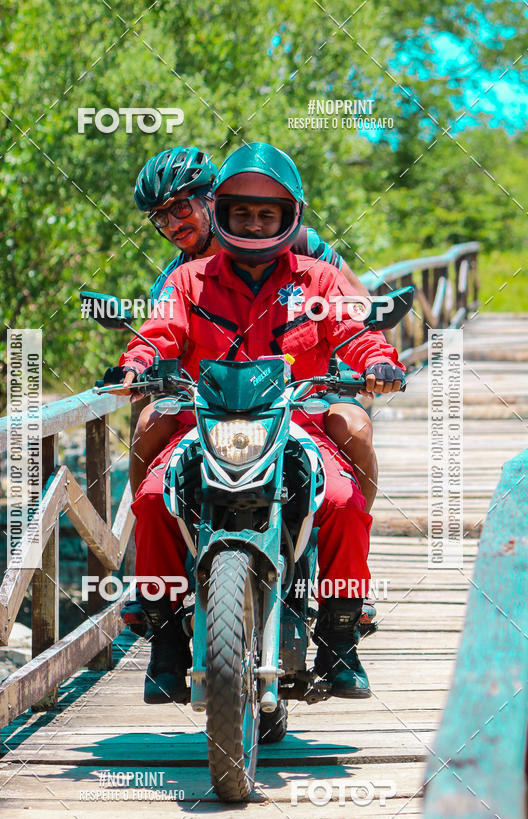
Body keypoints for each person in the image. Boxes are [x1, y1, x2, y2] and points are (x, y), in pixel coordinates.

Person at [113, 142, 405, 705]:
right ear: (222, 212)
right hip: (208, 424)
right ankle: (166, 638)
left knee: (342, 501)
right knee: (152, 497)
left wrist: (377, 361)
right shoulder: (187, 280)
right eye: (240, 212)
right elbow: (157, 333)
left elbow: (357, 329)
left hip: (298, 421)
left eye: (266, 214)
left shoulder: (319, 277)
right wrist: (135, 363)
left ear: (287, 217)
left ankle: (341, 639)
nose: (253, 223)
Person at [131, 147, 379, 514]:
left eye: (181, 207)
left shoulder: (300, 247)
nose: (172, 225)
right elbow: (158, 337)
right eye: (160, 217)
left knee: (354, 430)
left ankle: (354, 526)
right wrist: (137, 371)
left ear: (211, 201)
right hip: (215, 401)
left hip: (304, 386)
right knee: (147, 430)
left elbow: (357, 306)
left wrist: (365, 360)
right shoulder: (174, 279)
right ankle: (153, 523)